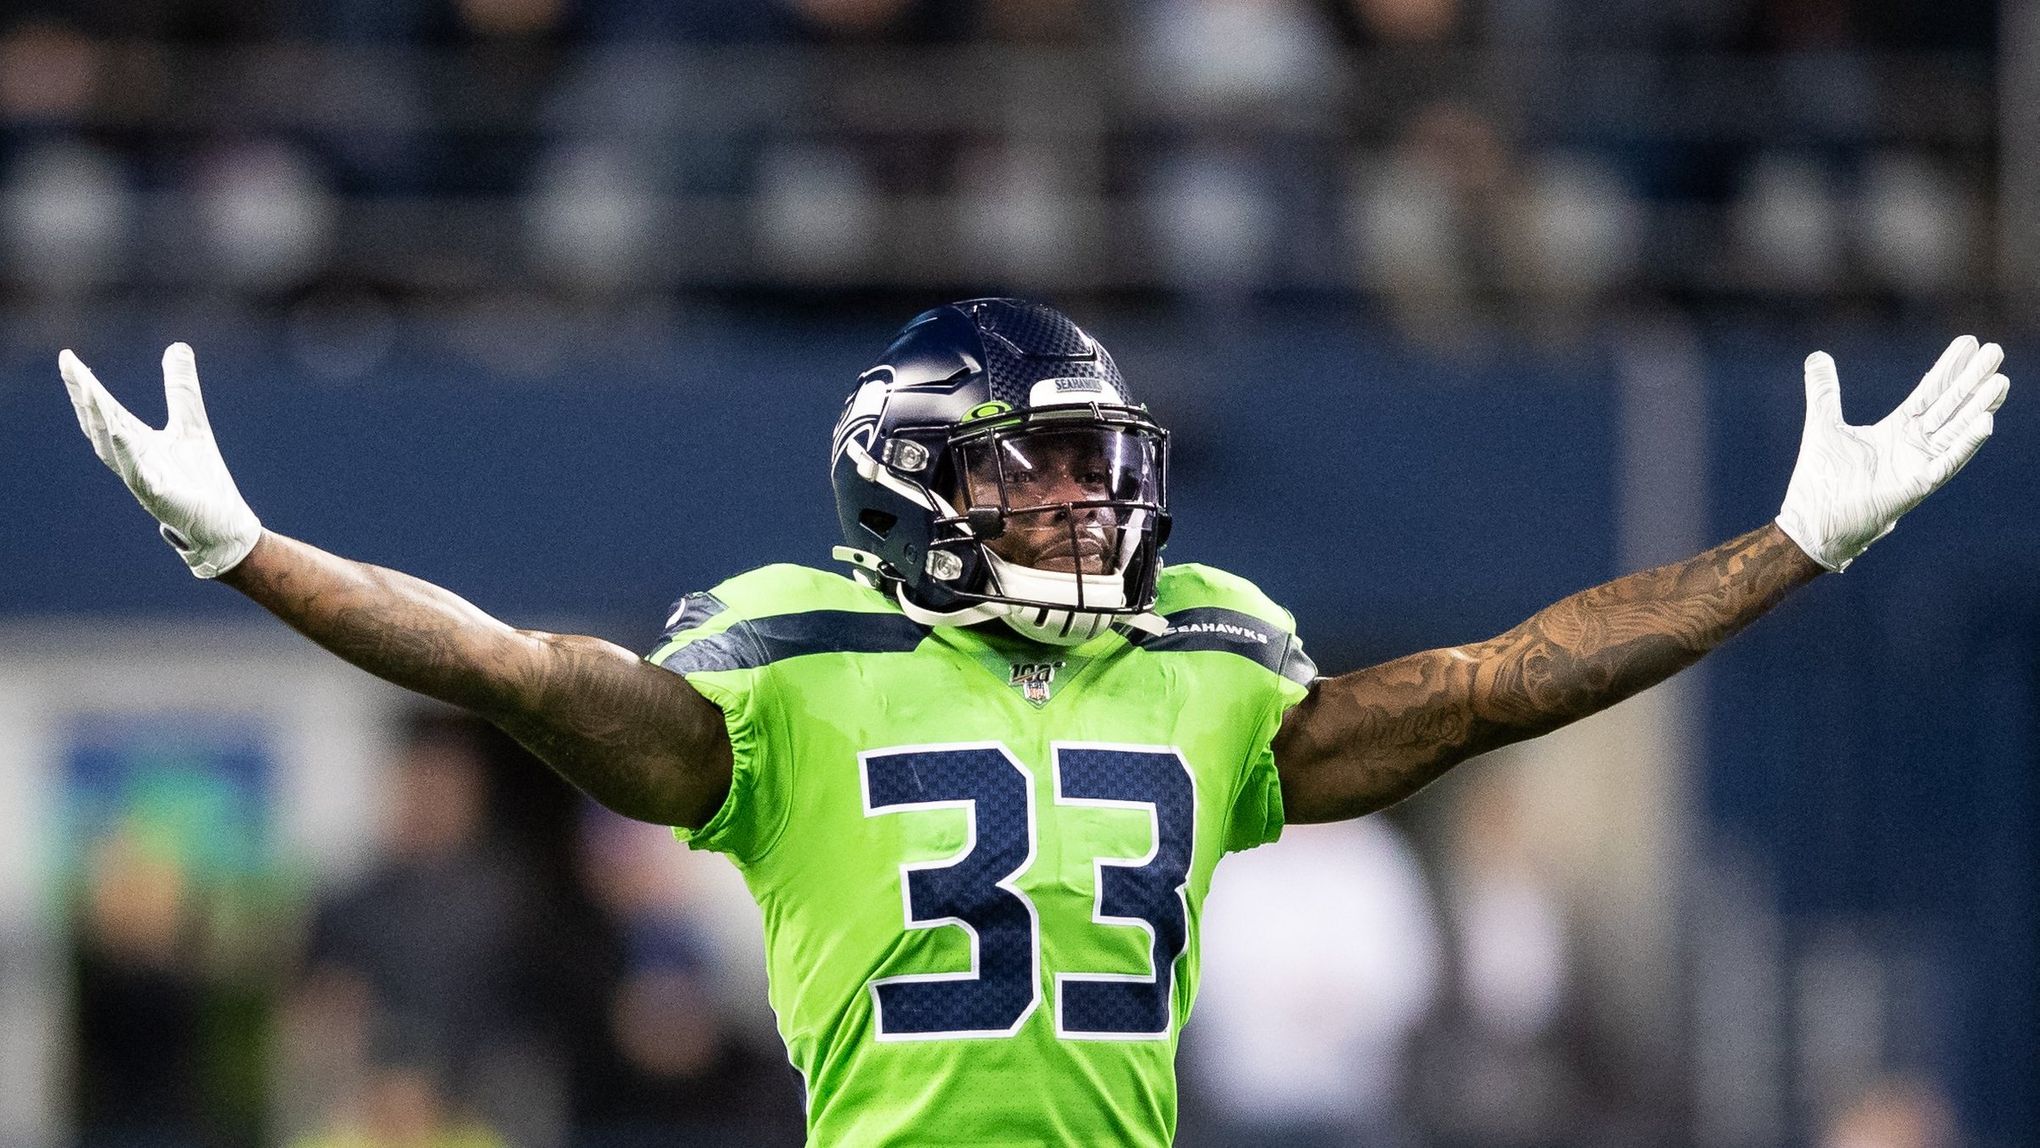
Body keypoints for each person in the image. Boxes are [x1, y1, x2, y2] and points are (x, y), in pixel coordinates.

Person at [60, 299, 2008, 1146]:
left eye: (1098, 461)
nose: (1093, 500)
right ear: (920, 483)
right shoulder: (788, 665)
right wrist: (255, 553)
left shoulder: (1211, 662)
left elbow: (1502, 684)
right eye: (1044, 467)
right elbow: (513, 667)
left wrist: (1786, 546)